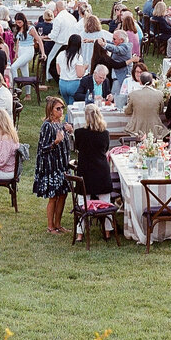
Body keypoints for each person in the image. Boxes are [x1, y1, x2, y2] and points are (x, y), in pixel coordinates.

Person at [72, 103, 116, 240]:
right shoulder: (105, 134)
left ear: (86, 117)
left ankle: (80, 233)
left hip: (85, 170)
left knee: (82, 200)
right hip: (101, 170)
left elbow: (77, 147)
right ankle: (107, 231)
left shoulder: (79, 133)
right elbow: (105, 149)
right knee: (105, 201)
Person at [33, 97, 73, 235]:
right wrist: (55, 142)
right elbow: (42, 148)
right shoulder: (47, 126)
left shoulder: (61, 125)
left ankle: (58, 224)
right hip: (51, 166)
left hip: (62, 165)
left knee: (63, 195)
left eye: (62, 108)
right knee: (53, 196)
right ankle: (50, 226)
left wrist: (70, 132)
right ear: (50, 110)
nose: (61, 111)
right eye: (58, 108)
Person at [124, 72, 166, 139]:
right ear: (152, 81)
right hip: (154, 127)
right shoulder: (159, 94)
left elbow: (127, 111)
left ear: (140, 81)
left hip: (137, 128)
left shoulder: (133, 94)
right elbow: (161, 111)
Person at [55, 34, 85, 104]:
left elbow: (58, 72)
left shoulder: (60, 54)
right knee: (72, 108)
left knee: (69, 106)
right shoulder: (78, 57)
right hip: (74, 84)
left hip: (62, 84)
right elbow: (79, 74)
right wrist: (84, 67)